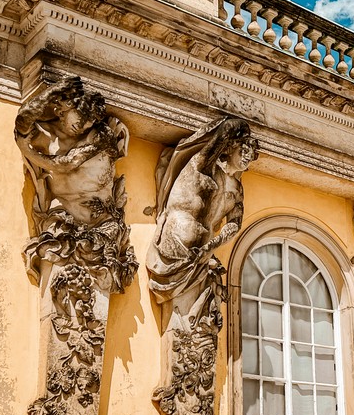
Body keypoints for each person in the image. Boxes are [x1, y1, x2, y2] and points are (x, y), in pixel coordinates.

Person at [147, 117, 257, 302]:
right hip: (175, 245)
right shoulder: (203, 166)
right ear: (229, 147)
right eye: (244, 149)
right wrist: (239, 126)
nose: (248, 156)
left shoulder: (236, 189)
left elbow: (235, 223)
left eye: (252, 153)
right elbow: (222, 134)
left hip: (202, 255)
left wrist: (214, 244)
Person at [14, 76, 127, 226]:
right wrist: (50, 93)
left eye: (91, 120)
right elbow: (22, 122)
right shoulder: (44, 133)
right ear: (65, 107)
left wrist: (25, 149)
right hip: (61, 223)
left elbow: (67, 163)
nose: (86, 125)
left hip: (106, 222)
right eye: (83, 116)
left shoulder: (101, 134)